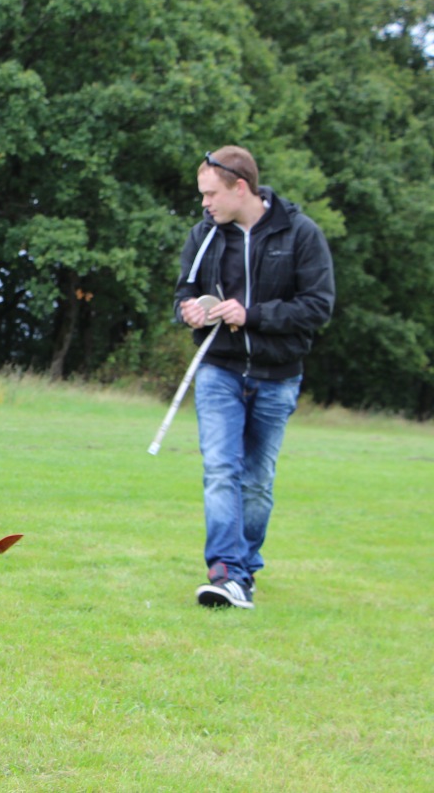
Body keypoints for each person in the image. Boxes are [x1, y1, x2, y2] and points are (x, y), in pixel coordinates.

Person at [176, 146, 335, 608]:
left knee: (257, 481)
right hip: (218, 370)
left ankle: (244, 571)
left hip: (277, 375)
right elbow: (183, 292)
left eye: (211, 194)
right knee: (221, 470)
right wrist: (188, 311)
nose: (205, 203)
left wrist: (253, 315)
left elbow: (318, 306)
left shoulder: (301, 233)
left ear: (240, 187)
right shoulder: (203, 235)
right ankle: (225, 572)